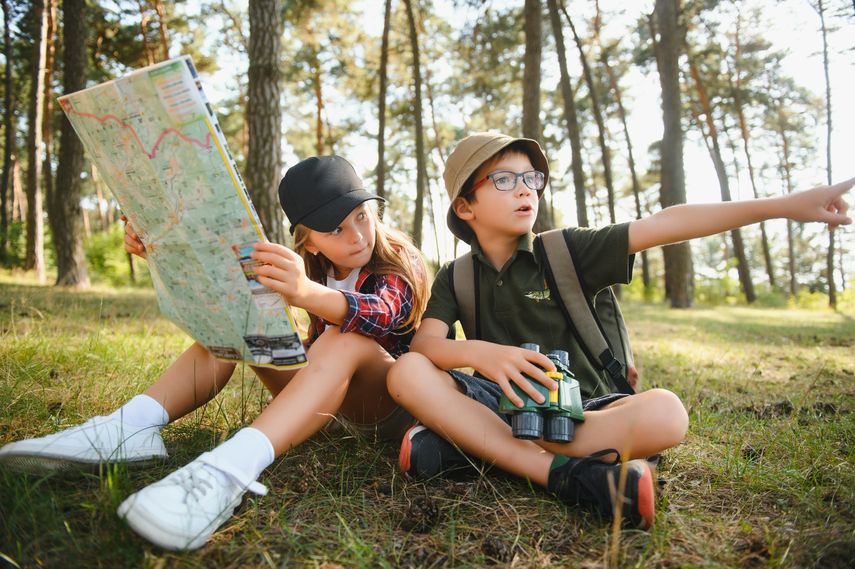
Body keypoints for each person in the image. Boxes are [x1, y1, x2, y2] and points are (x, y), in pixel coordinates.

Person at [387, 132, 852, 531]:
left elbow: (664, 224)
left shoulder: (567, 250)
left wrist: (783, 206)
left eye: (532, 178)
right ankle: (575, 478)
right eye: (504, 180)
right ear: (465, 206)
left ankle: (475, 449)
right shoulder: (457, 275)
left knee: (667, 414)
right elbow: (425, 345)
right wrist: (483, 355)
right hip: (502, 406)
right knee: (406, 371)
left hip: (586, 412)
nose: (525, 188)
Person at [0, 155, 428, 551]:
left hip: (386, 409)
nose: (358, 236)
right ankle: (131, 426)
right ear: (310, 242)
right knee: (238, 320)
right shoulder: (311, 265)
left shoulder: (397, 257)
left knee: (343, 338)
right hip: (322, 405)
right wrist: (158, 249)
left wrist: (305, 293)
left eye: (362, 216)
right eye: (336, 229)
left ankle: (231, 470)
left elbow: (382, 315)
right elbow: (218, 288)